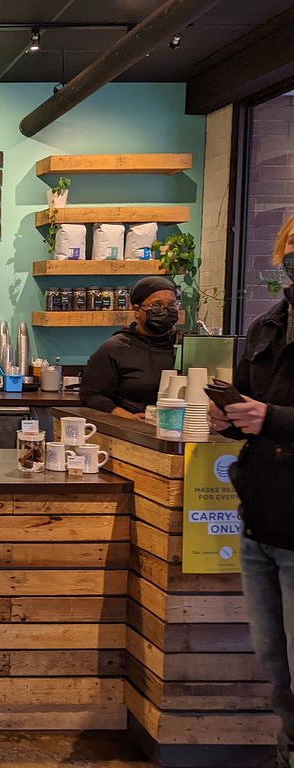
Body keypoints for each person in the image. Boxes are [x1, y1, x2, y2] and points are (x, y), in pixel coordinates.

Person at [209, 214, 294, 768]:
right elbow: (248, 400)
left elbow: (272, 415)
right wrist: (230, 419)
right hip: (261, 520)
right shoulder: (269, 325)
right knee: (276, 666)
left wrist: (273, 418)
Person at [80, 275, 182, 420]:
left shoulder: (185, 344)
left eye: (172, 305)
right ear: (137, 310)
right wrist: (126, 416)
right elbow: (91, 395)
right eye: (156, 305)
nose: (165, 311)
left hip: (182, 426)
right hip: (133, 428)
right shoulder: (115, 348)